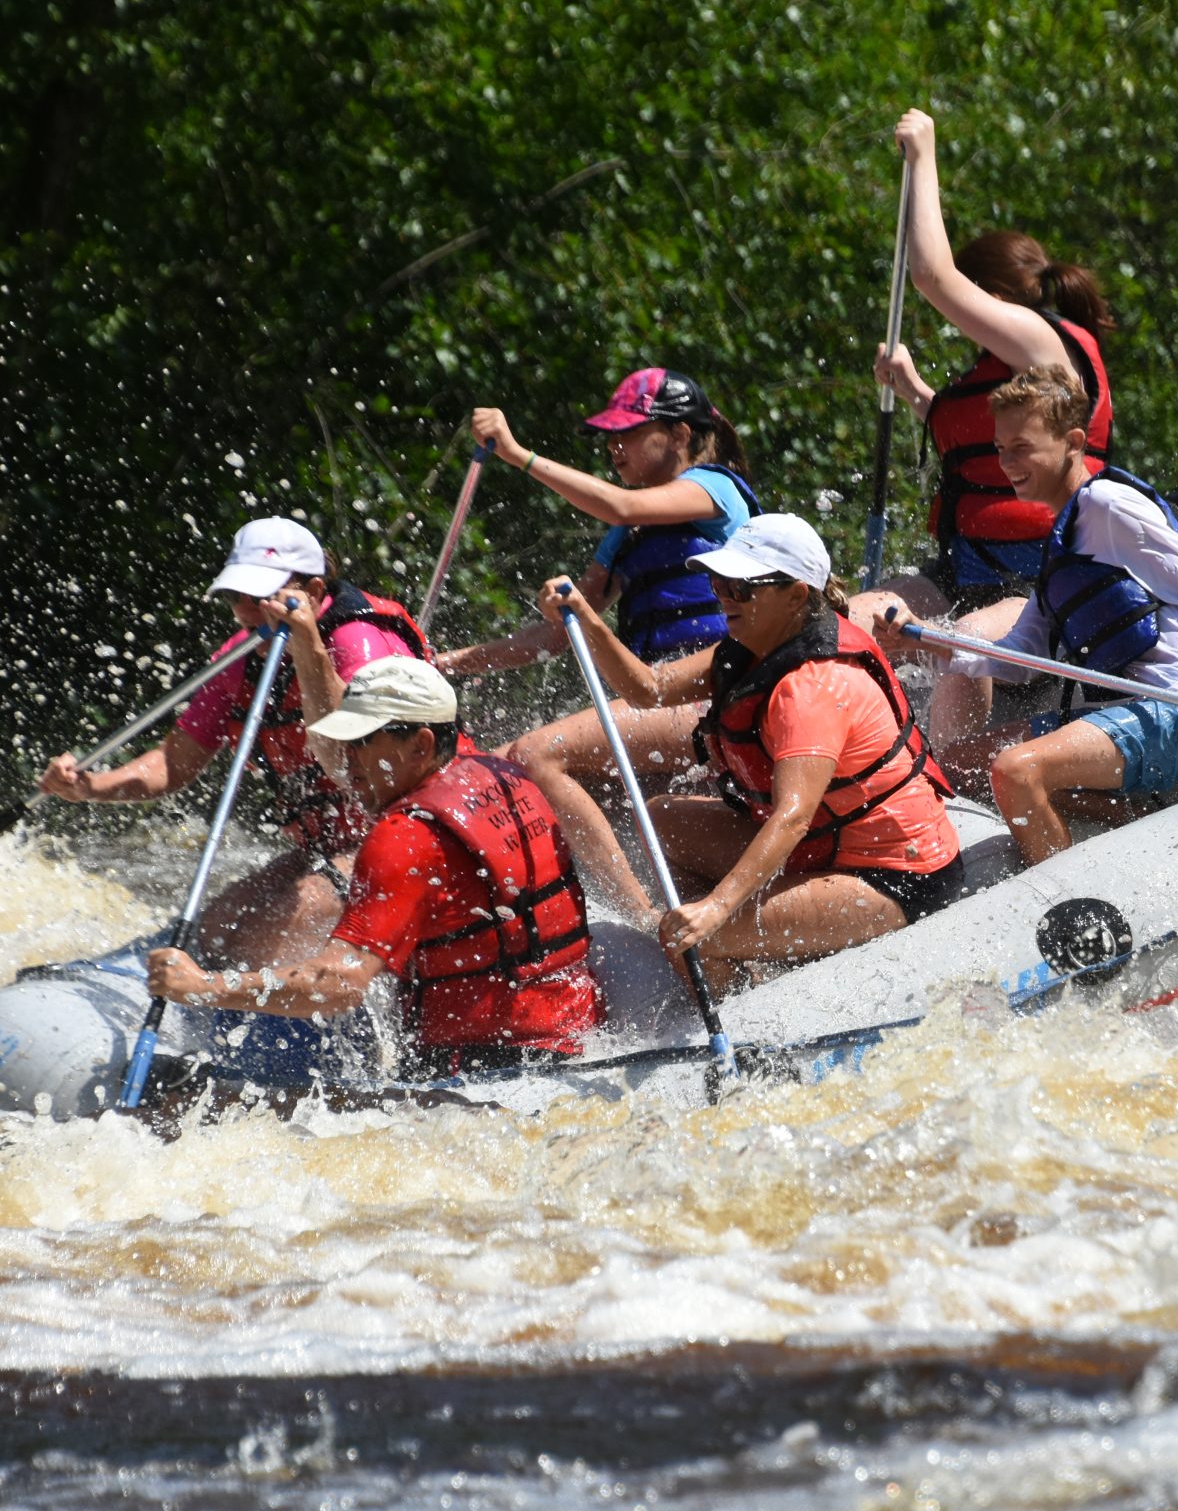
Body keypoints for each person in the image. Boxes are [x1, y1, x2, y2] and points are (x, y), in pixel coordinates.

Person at [543, 514, 963, 995]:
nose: (723, 596)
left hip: (891, 878)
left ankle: (738, 999)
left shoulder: (812, 688)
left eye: (741, 588)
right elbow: (648, 689)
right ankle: (746, 961)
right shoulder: (752, 647)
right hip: (826, 848)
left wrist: (715, 911)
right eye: (719, 582)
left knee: (688, 939)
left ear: (796, 595)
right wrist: (585, 616)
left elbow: (792, 817)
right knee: (662, 822)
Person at [144, 656, 605, 1075]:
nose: (344, 760)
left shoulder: (404, 837)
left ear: (421, 744)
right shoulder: (503, 777)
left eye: (363, 741)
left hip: (478, 1066)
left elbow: (340, 982)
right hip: (576, 1034)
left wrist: (202, 985)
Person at [877, 365, 1178, 867]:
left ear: (1073, 441)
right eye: (1000, 448)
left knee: (1015, 771)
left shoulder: (1108, 506)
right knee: (960, 762)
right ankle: (1139, 816)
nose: (1006, 462)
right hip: (1125, 715)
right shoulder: (1062, 538)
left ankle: (1066, 895)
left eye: (1022, 447)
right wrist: (925, 645)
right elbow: (1018, 659)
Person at [432, 369, 760, 918]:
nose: (615, 447)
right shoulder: (624, 533)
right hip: (657, 699)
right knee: (505, 778)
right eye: (611, 435)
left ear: (680, 435)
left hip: (716, 687)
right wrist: (448, 662)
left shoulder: (715, 487)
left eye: (629, 432)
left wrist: (517, 455)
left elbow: (620, 504)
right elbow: (555, 637)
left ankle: (646, 919)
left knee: (537, 754)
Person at [40, 517, 430, 966]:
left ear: (316, 593)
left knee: (279, 929)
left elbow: (349, 754)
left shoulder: (359, 642)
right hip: (331, 843)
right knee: (221, 923)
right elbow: (174, 762)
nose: (245, 611)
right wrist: (91, 787)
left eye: (259, 595)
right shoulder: (240, 658)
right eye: (234, 596)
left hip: (406, 832)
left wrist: (306, 646)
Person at [859, 107, 1118, 746]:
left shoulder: (1041, 341)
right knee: (853, 621)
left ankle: (949, 778)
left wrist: (923, 158)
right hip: (963, 569)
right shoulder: (1000, 372)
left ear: (990, 294)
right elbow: (985, 452)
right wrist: (917, 390)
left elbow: (931, 275)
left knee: (961, 643)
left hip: (1048, 575)